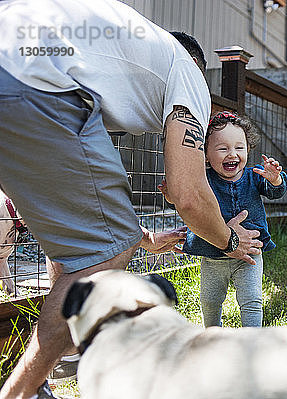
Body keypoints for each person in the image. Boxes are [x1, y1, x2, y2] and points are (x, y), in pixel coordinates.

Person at [0, 1, 263, 398]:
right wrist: (228, 240)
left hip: (18, 64)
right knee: (103, 256)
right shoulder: (186, 71)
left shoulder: (117, 60)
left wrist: (142, 236)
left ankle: (69, 360)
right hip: (33, 79)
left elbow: (82, 205)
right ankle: (24, 391)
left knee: (80, 248)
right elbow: (187, 194)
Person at [160, 111, 287, 328]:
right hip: (212, 256)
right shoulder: (203, 179)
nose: (232, 154)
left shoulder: (254, 175)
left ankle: (253, 338)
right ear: (206, 155)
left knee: (252, 300)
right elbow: (189, 200)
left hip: (249, 255)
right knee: (210, 301)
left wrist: (275, 179)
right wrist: (171, 195)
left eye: (239, 148)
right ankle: (212, 334)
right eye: (222, 148)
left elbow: (275, 192)